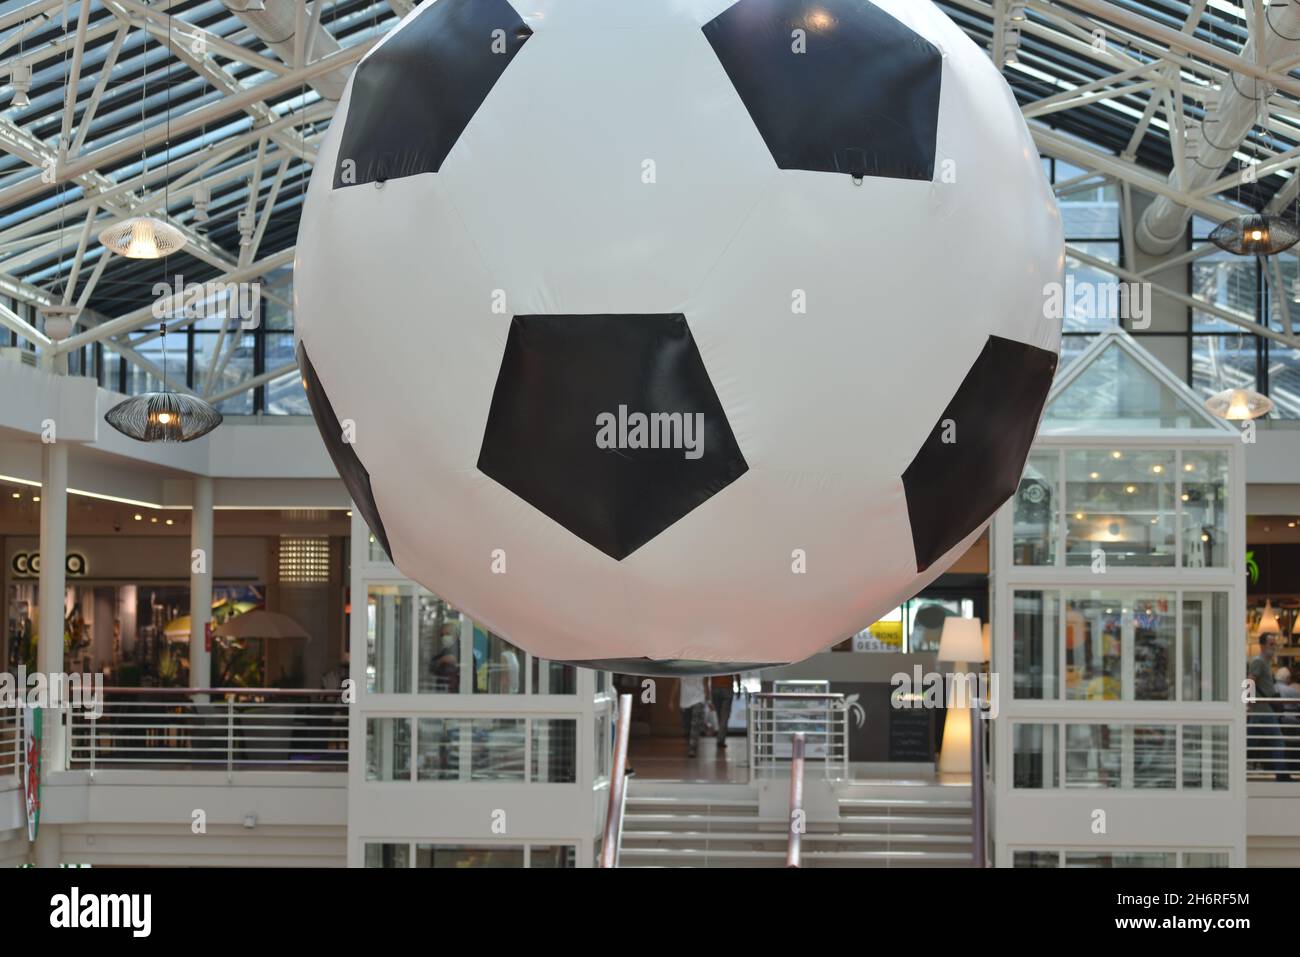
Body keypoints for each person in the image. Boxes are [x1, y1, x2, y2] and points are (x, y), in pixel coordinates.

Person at [1248, 635, 1293, 782]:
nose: (1273, 647)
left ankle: (1235, 767)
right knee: (1277, 740)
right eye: (1270, 644)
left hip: (1262, 710)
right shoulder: (1258, 662)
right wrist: (1249, 702)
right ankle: (1281, 774)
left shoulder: (1265, 663)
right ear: (1262, 645)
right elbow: (1250, 682)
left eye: (1274, 644)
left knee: (1250, 742)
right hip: (1263, 710)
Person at [678, 676, 707, 758]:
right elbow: (676, 684)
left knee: (695, 725)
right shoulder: (680, 669)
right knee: (686, 727)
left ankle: (692, 747)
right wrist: (671, 699)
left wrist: (708, 700)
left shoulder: (703, 667)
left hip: (699, 699)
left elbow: (705, 684)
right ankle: (690, 744)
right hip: (685, 701)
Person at [710, 673, 738, 750]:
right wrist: (738, 687)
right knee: (724, 716)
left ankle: (720, 737)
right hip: (727, 688)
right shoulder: (730, 661)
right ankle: (720, 739)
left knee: (720, 716)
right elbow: (737, 673)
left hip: (715, 688)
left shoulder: (713, 661)